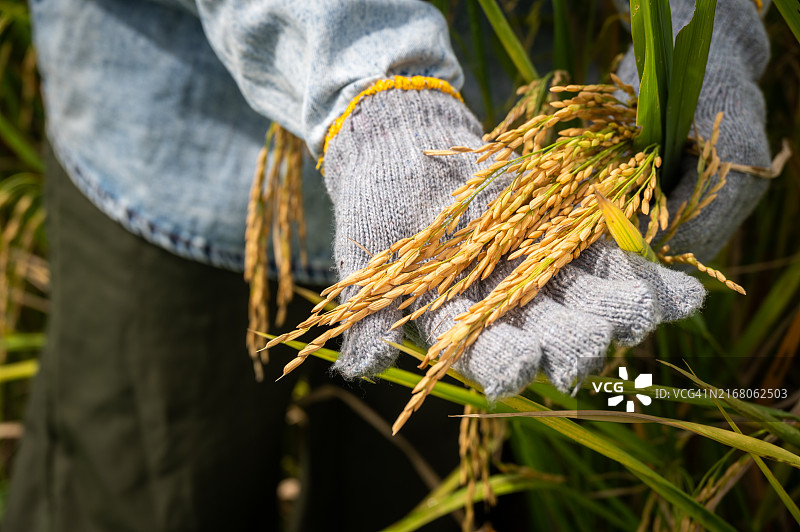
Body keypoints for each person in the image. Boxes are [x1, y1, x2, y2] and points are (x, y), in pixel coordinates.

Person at [4, 0, 771, 530]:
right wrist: (380, 87)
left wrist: (700, 30)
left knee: (423, 500)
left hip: (500, 179)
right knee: (142, 495)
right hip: (177, 140)